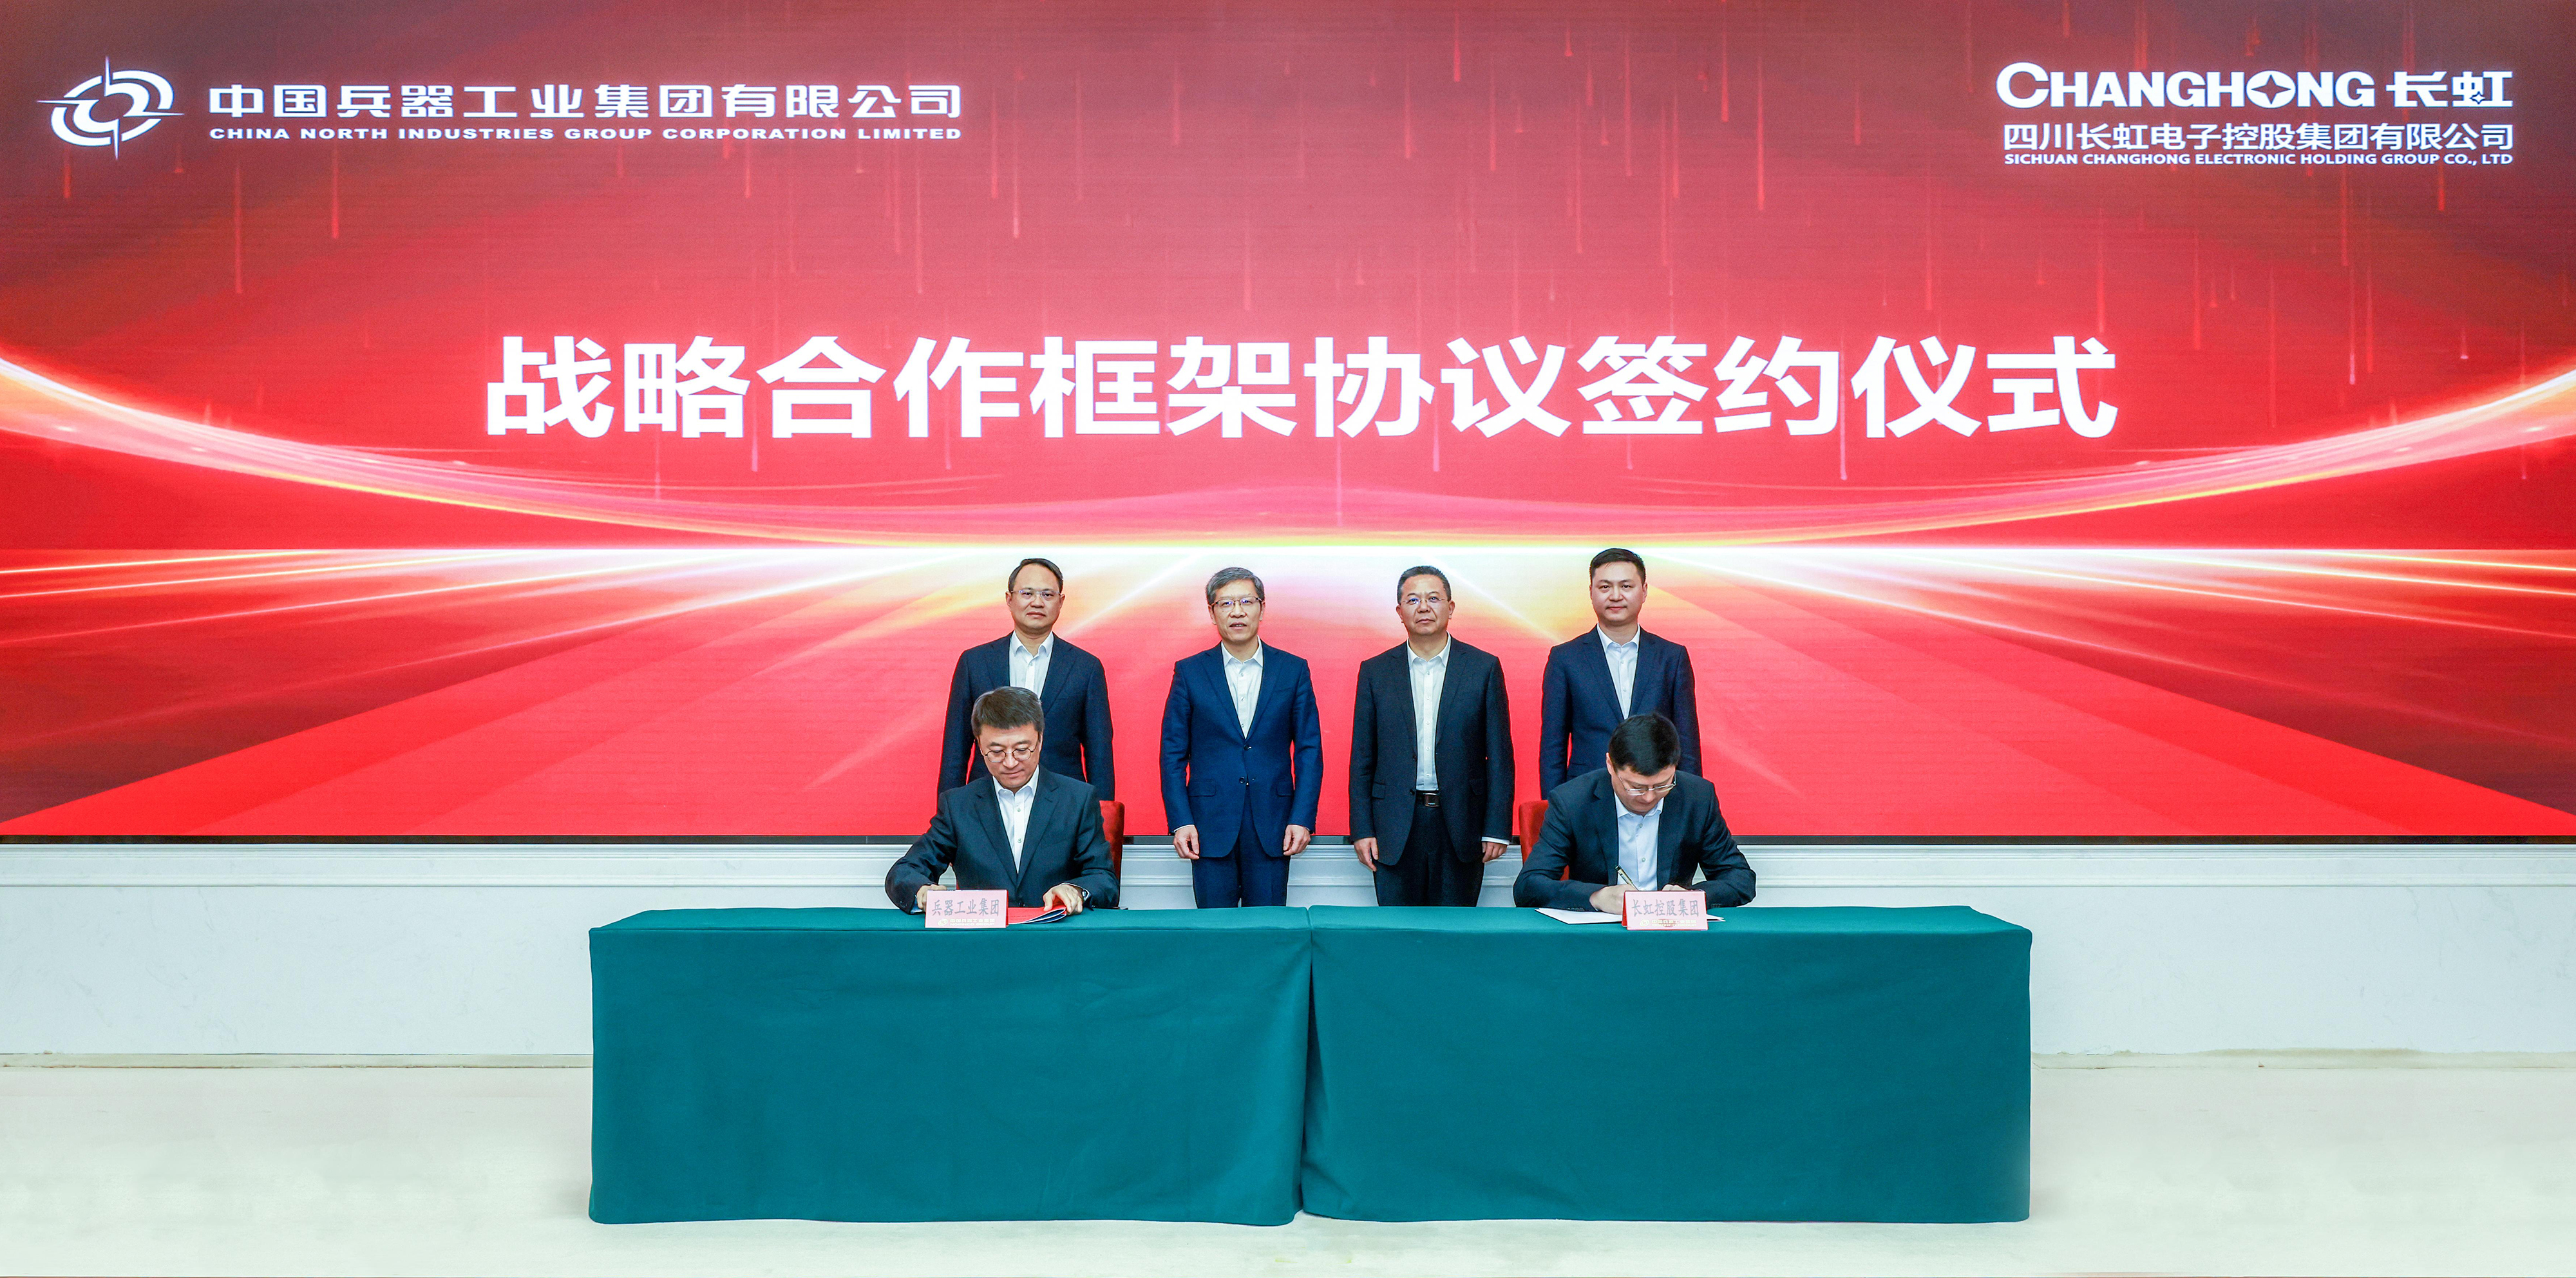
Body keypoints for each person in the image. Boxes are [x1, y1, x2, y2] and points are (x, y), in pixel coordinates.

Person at [1347, 565, 1514, 906]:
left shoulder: (1483, 668)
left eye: (1433, 598)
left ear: (1450, 608)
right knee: (1399, 930)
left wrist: (1497, 828)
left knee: (1455, 931)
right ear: (1400, 612)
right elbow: (1362, 758)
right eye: (1413, 600)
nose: (1423, 607)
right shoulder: (1375, 671)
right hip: (1394, 826)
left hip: (1462, 825)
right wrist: (1362, 829)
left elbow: (1499, 756)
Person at [1160, 566, 1323, 908]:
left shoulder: (1293, 670)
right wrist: (1180, 821)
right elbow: (1172, 753)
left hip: (1274, 823)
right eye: (1226, 603)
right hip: (1207, 825)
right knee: (1214, 930)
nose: (1237, 612)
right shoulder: (1190, 671)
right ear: (1212, 613)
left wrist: (1302, 818)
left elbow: (1309, 750)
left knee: (1268, 928)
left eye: (1247, 602)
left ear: (1262, 609)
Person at [887, 686, 1119, 913]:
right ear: (979, 745)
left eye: (1022, 750)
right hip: (984, 935)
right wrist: (922, 891)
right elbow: (905, 872)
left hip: (1055, 931)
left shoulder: (1077, 799)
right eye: (997, 752)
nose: (1010, 763)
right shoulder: (958, 805)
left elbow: (1104, 879)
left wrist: (1075, 890)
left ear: (1040, 740)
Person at [1514, 712, 1753, 913]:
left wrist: (1694, 897)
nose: (1649, 797)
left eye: (1662, 785)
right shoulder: (1572, 801)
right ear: (1610, 765)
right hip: (1599, 934)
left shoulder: (1697, 797)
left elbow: (1740, 877)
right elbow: (1529, 886)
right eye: (1636, 787)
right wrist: (1597, 897)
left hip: (1672, 934)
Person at [938, 557, 1115, 799]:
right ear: (1009, 600)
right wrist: (949, 812)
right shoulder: (975, 662)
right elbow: (955, 750)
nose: (1037, 602)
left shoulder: (1086, 667)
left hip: (1064, 804)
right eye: (1027, 593)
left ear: (1061, 602)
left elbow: (1100, 754)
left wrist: (1102, 814)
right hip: (987, 801)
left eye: (1047, 595)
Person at [1537, 548, 1701, 794]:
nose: (1615, 596)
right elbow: (1553, 746)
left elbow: (1687, 743)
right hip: (1587, 795)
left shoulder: (1671, 657)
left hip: (1656, 794)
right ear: (1591, 592)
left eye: (1626, 586)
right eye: (1605, 587)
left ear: (1644, 591)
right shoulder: (1565, 659)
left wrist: (1691, 803)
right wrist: (1555, 807)